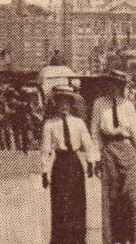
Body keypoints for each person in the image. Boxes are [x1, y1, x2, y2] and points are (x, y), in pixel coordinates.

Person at [91, 70, 136, 244]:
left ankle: (133, 239)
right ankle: (113, 240)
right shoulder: (99, 104)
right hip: (108, 152)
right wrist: (96, 157)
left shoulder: (128, 105)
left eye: (117, 85)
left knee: (131, 197)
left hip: (128, 151)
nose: (113, 88)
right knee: (111, 198)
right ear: (106, 85)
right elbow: (95, 133)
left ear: (122, 86)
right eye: (110, 84)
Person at [42, 88, 96, 244]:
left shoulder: (78, 123)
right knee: (60, 203)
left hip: (75, 165)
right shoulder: (50, 124)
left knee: (77, 202)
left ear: (71, 104)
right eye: (60, 102)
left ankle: (78, 240)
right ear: (56, 104)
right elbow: (46, 149)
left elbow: (88, 144)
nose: (63, 106)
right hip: (59, 166)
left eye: (66, 102)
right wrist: (45, 171)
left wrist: (90, 161)